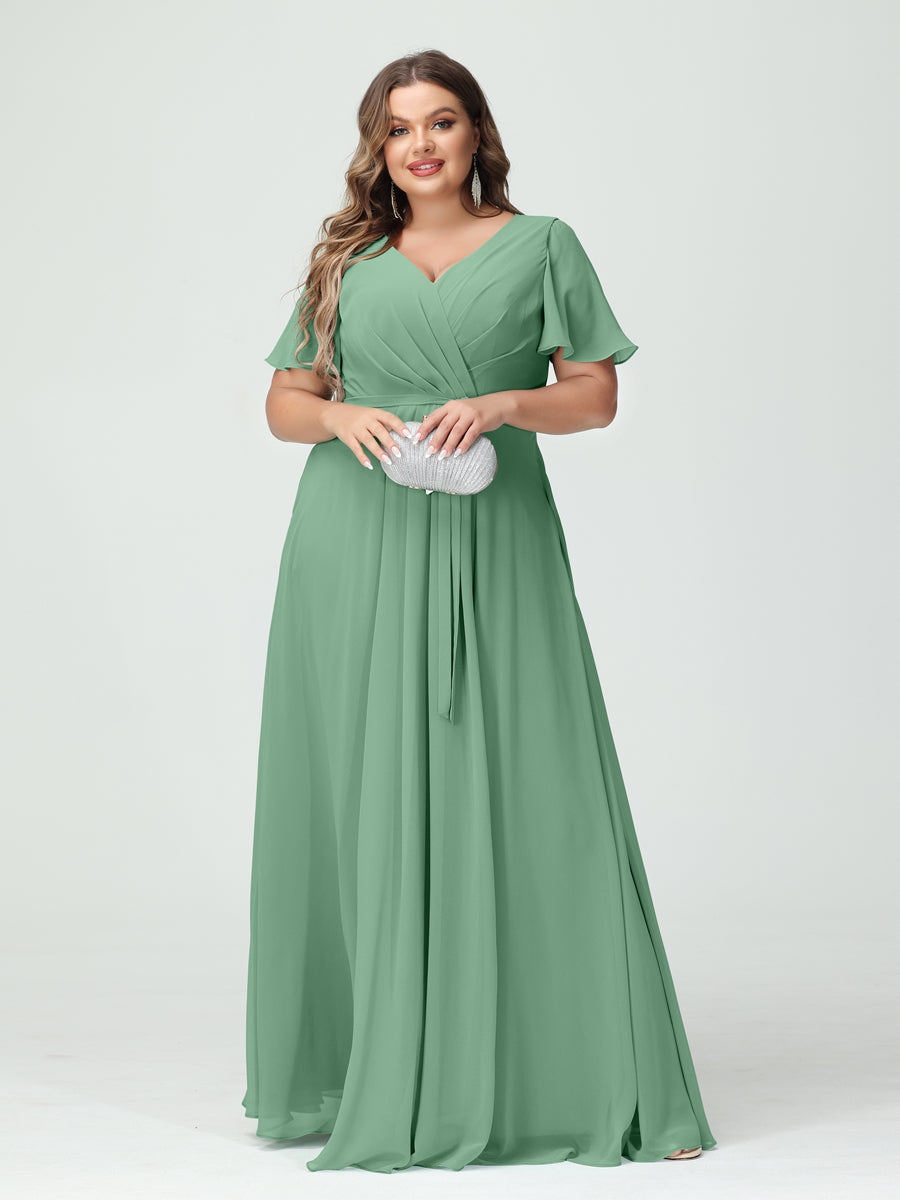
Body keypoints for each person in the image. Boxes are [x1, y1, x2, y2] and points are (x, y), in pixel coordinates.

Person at [241, 48, 716, 1174]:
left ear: (475, 133)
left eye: (441, 121)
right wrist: (339, 420)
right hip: (353, 536)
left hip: (496, 534)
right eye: (399, 128)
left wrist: (503, 402)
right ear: (377, 148)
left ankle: (565, 1072)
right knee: (361, 782)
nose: (421, 144)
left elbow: (595, 395)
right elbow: (284, 402)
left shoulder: (543, 245)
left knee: (536, 774)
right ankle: (376, 1064)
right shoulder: (347, 260)